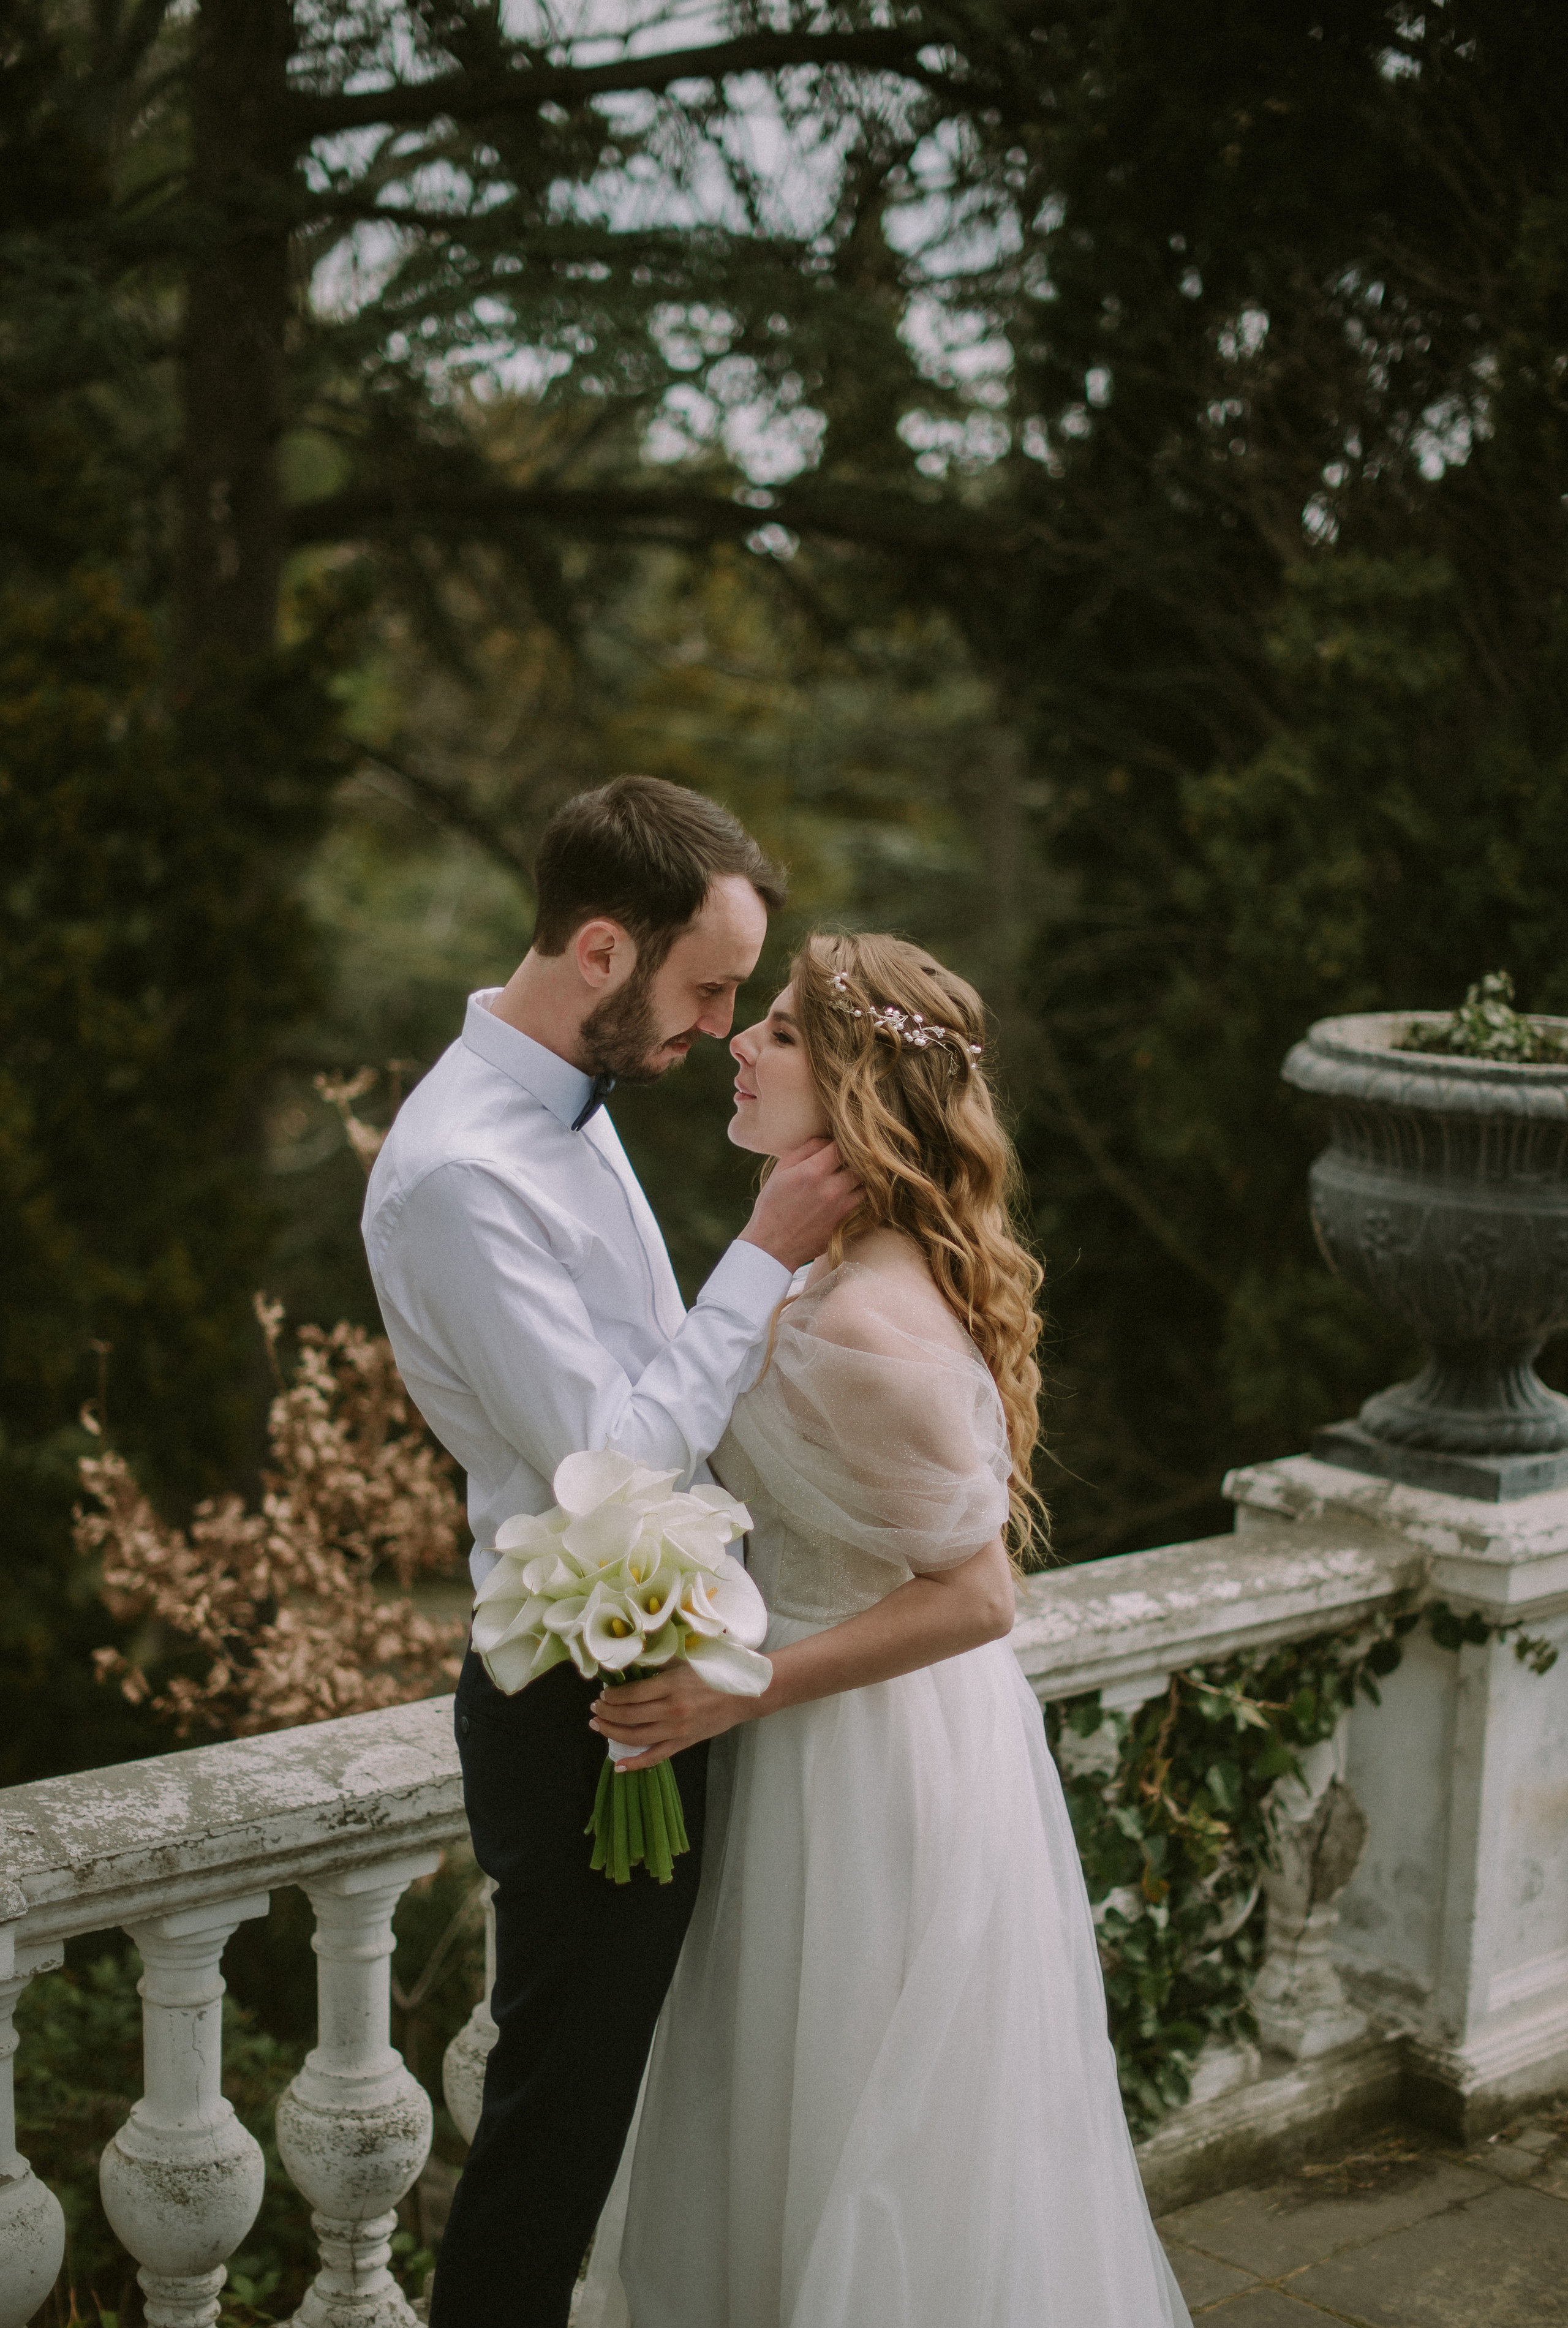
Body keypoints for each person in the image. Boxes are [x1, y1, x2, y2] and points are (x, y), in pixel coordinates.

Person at [592, 932, 1193, 2328]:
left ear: (861, 1089)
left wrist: (739, 1684)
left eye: (785, 1031)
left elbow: (978, 1596)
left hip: (863, 1763)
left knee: (859, 2126)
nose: (740, 1042)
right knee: (774, 2113)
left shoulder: (871, 1322)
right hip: (808, 1742)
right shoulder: (822, 1266)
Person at [360, 777, 859, 2328]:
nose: (717, 1029)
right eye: (707, 989)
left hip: (658, 1662)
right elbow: (602, 1467)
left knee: (615, 2099)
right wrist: (762, 1259)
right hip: (575, 1698)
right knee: (551, 2130)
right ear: (598, 947)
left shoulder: (573, 1104)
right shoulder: (461, 1172)